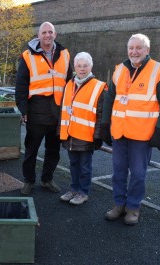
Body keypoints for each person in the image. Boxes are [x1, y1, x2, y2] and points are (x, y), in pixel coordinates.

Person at [101, 33, 160, 225]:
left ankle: (133, 207)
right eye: (131, 48)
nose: (134, 51)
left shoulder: (158, 72)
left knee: (138, 174)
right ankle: (119, 204)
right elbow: (109, 98)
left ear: (147, 50)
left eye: (138, 47)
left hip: (142, 135)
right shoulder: (119, 70)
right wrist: (104, 124)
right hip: (120, 132)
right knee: (118, 172)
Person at [15, 21, 73, 195]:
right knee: (31, 150)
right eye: (44, 32)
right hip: (36, 111)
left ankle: (47, 179)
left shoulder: (64, 54)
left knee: (53, 151)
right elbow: (21, 86)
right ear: (38, 35)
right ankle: (28, 181)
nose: (47, 35)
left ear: (55, 34)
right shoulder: (27, 56)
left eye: (50, 32)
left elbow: (70, 82)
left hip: (57, 111)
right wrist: (23, 110)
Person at [58, 52, 107, 205]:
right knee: (73, 165)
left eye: (85, 65)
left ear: (91, 66)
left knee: (85, 167)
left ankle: (83, 192)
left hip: (86, 135)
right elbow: (63, 110)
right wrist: (60, 131)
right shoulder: (69, 85)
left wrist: (98, 136)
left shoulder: (99, 86)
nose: (82, 69)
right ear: (75, 67)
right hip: (70, 134)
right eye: (79, 66)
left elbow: (101, 114)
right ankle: (73, 189)